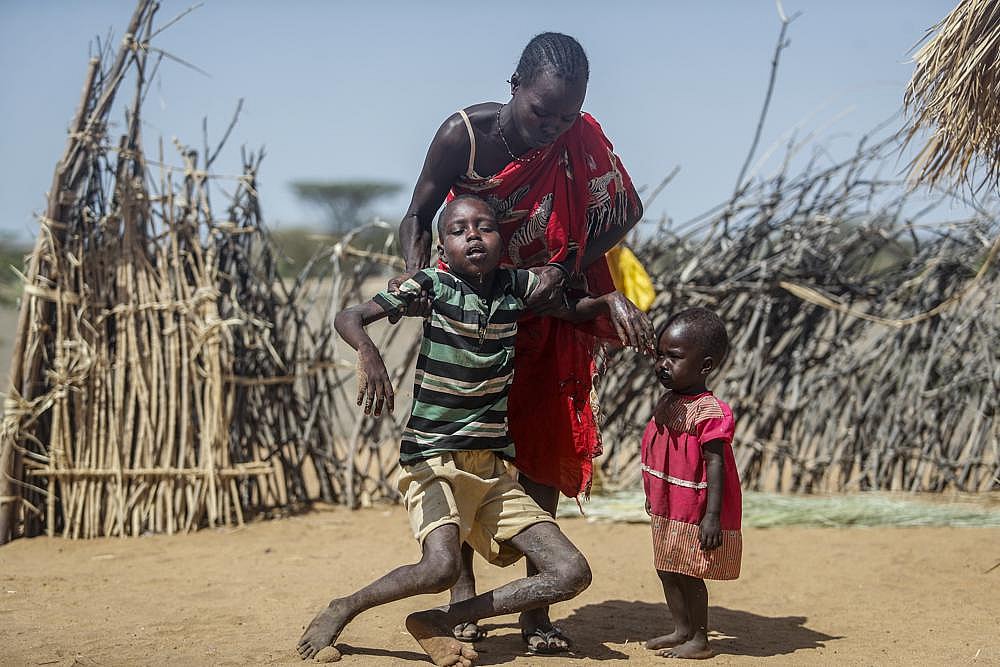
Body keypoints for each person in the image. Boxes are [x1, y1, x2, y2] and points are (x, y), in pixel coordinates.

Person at [394, 31, 654, 653]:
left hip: (548, 308)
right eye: (543, 112)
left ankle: (536, 613)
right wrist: (419, 277)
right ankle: (460, 600)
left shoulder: (578, 140)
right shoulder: (465, 137)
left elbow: (625, 209)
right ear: (514, 88)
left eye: (568, 115)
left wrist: (567, 265)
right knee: (463, 445)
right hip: (474, 312)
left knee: (540, 445)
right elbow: (418, 214)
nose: (554, 127)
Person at [298, 195, 620, 666]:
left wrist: (610, 300)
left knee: (571, 571)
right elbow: (349, 316)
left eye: (484, 227)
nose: (473, 236)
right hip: (432, 459)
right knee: (440, 567)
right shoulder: (433, 284)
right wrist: (368, 352)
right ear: (442, 248)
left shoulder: (515, 286)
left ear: (501, 240)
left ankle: (439, 619)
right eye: (458, 230)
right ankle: (342, 607)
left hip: (490, 470)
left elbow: (569, 306)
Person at [641, 308, 742, 660]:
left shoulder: (710, 412)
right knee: (666, 566)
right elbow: (658, 450)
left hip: (694, 509)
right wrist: (652, 493)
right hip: (670, 503)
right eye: (660, 355)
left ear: (705, 365)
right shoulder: (670, 401)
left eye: (674, 357)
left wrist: (711, 516)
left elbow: (716, 466)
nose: (662, 364)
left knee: (689, 571)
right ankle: (681, 629)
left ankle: (700, 639)